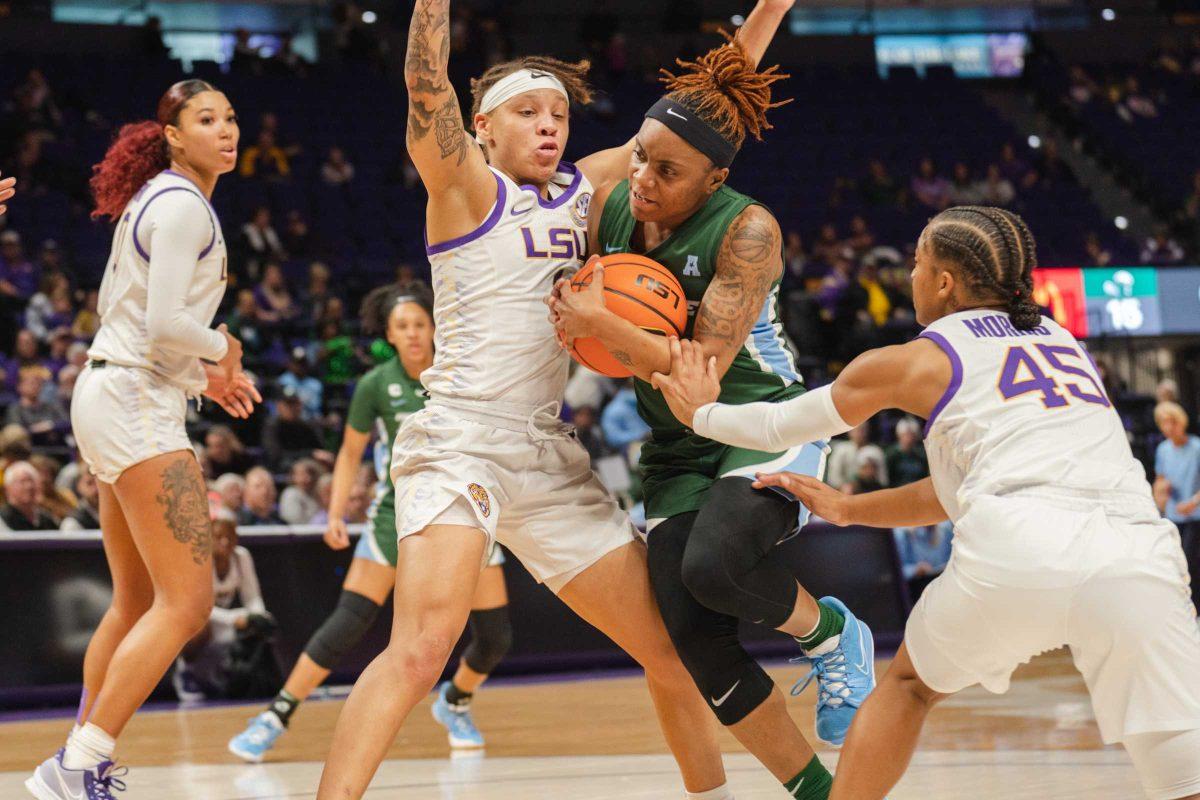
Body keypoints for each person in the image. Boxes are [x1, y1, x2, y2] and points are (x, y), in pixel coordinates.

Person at [315, 3, 797, 798]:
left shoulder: (590, 189)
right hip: (460, 439)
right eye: (527, 112)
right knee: (423, 645)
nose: (549, 125)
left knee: (672, 651)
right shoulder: (465, 188)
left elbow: (701, 113)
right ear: (482, 129)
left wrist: (768, 12)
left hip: (545, 452)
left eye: (559, 113)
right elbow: (424, 84)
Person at [650, 205, 1200, 800]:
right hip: (1135, 555)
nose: (909, 274)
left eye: (917, 262)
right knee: (1183, 772)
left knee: (911, 686)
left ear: (944, 282)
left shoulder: (917, 359)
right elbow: (958, 488)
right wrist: (850, 509)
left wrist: (699, 412)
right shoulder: (1064, 344)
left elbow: (782, 424)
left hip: (1019, 550)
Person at [550, 36, 874, 800]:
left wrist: (599, 320)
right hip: (673, 446)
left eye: (666, 171)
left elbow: (700, 373)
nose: (643, 180)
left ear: (716, 177)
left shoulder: (748, 229)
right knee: (692, 638)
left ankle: (831, 634)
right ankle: (815, 790)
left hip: (757, 421)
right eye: (640, 160)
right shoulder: (614, 197)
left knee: (714, 566)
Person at [25, 79, 262, 800]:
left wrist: (204, 372)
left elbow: (144, 326)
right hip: (133, 398)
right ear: (172, 134)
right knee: (185, 604)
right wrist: (225, 347)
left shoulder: (161, 198)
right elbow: (163, 326)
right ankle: (77, 765)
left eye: (230, 118)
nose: (225, 131)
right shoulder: (184, 206)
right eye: (205, 120)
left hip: (112, 391)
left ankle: (76, 758)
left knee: (133, 602)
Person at [230, 283, 514, 761]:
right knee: (348, 622)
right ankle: (274, 716)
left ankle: (456, 700)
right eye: (403, 327)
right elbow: (349, 453)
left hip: (467, 514)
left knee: (496, 636)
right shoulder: (375, 385)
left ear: (435, 326)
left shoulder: (460, 376)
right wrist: (337, 513)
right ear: (389, 333)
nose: (413, 334)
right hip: (395, 517)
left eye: (420, 324)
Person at [173, 511, 275, 701]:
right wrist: (235, 618)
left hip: (226, 620)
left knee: (262, 623)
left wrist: (258, 616)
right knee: (199, 625)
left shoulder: (242, 556)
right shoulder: (197, 559)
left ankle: (246, 682)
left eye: (230, 536)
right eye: (219, 537)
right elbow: (199, 606)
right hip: (196, 621)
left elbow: (252, 597)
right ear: (207, 537)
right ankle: (185, 673)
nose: (225, 542)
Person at [1153, 400, 1200, 612]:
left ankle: (1195, 609)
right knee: (1174, 564)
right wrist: (1161, 493)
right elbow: (1160, 480)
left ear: (1181, 422)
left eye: (1172, 422)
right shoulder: (1163, 450)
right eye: (1164, 423)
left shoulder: (1196, 447)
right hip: (1172, 515)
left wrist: (1193, 503)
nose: (1168, 428)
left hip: (1195, 514)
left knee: (1191, 562)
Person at [0, 460, 58, 531]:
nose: (29, 486)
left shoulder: (47, 520)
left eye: (32, 481)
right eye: (22, 481)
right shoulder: (2, 520)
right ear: (8, 488)